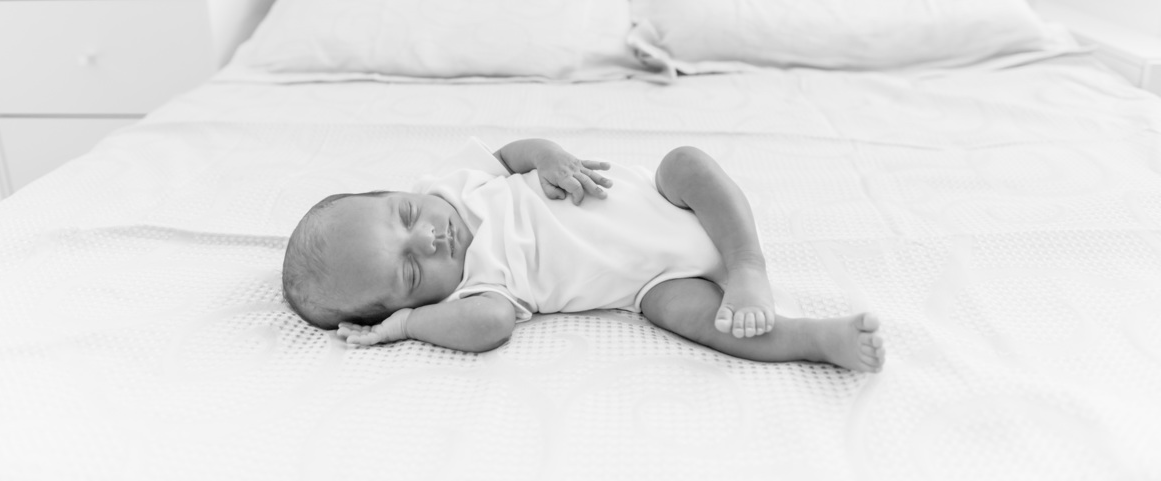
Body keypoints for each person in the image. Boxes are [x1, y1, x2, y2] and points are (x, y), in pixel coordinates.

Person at [281, 137, 885, 372]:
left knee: (685, 162)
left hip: (667, 200)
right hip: (653, 283)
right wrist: (410, 325)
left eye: (407, 218)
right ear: (411, 301)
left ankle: (748, 265)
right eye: (412, 271)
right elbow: (490, 326)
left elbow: (513, 153)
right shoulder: (476, 290)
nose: (430, 240)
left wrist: (549, 157)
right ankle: (816, 340)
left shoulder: (452, 184)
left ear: (399, 192)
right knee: (695, 319)